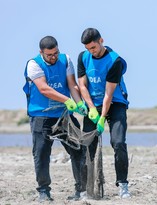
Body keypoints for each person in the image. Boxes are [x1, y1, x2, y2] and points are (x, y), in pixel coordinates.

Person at [23, 36, 88, 202]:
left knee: (78, 149)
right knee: (42, 154)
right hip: (41, 115)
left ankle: (81, 190)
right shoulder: (34, 64)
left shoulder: (65, 60)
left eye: (56, 53)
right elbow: (44, 89)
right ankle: (44, 191)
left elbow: (72, 84)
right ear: (41, 53)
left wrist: (79, 103)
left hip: (64, 115)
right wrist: (67, 100)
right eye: (50, 55)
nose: (54, 57)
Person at [77, 28, 131, 199]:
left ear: (101, 40)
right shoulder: (83, 57)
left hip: (115, 103)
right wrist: (92, 109)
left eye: (93, 47)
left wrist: (102, 119)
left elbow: (109, 94)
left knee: (118, 142)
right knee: (87, 145)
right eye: (88, 48)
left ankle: (123, 185)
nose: (91, 51)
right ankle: (85, 188)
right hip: (93, 104)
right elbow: (82, 85)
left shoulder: (115, 61)